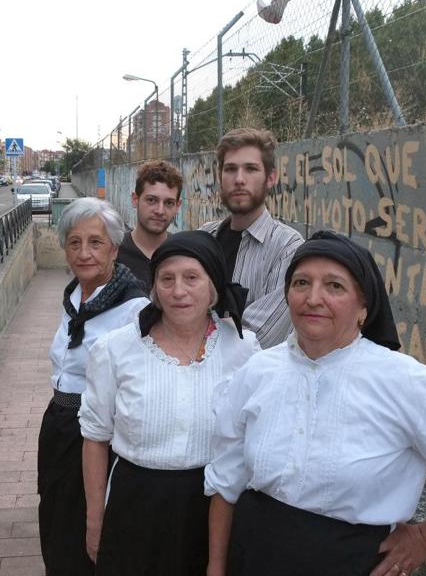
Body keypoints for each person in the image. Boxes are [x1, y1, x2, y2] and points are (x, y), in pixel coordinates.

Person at [205, 230, 426, 576]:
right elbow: (226, 478)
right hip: (252, 555)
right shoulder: (258, 370)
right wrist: (216, 566)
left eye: (334, 286)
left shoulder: (404, 382)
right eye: (301, 283)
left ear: (363, 307)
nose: (313, 298)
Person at [79, 230, 260, 576]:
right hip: (137, 503)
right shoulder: (116, 349)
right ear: (154, 289)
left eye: (192, 278)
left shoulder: (245, 350)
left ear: (213, 286)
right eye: (167, 279)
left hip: (216, 507)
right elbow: (95, 436)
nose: (178, 291)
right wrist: (94, 520)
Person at [37, 197, 149, 576]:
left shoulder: (133, 308)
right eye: (74, 242)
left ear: (115, 248)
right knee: (54, 520)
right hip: (58, 426)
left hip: (96, 438)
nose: (84, 253)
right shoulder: (73, 295)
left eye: (96, 242)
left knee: (86, 534)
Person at [201, 127, 303, 349]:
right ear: (220, 177)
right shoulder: (203, 238)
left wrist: (188, 338)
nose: (239, 179)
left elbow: (257, 339)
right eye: (230, 169)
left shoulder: (287, 248)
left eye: (250, 169)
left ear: (270, 177)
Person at [117, 159, 183, 292]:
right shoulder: (113, 254)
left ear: (178, 206)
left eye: (169, 203)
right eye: (151, 200)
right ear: (135, 200)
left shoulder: (183, 254)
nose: (160, 210)